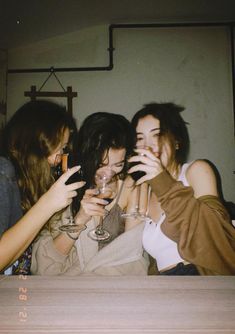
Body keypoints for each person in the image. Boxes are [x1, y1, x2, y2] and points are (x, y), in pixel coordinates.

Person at [31, 112, 149, 275]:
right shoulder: (66, 186)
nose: (109, 173)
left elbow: (133, 254)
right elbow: (45, 266)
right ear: (87, 157)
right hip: (70, 284)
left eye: (118, 164)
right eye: (101, 164)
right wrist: (80, 219)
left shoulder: (130, 187)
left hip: (113, 283)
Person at [128, 102, 235, 275]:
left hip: (198, 275)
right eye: (140, 138)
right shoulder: (143, 190)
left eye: (157, 135)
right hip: (163, 284)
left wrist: (162, 182)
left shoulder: (197, 170)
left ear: (177, 141)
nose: (147, 147)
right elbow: (129, 250)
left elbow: (215, 237)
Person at [0, 100, 85, 274]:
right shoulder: (3, 172)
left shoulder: (27, 182)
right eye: (60, 149)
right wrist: (47, 205)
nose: (60, 158)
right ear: (37, 143)